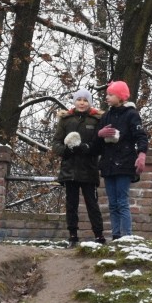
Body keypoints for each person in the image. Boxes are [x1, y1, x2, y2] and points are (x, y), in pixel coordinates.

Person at [92, 81, 148, 240]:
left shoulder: (131, 114)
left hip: (124, 163)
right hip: (108, 165)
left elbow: (141, 136)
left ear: (120, 96)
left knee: (122, 201)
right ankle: (116, 235)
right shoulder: (106, 116)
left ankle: (128, 236)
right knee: (112, 203)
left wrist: (142, 154)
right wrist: (99, 134)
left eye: (110, 95)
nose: (107, 98)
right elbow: (96, 146)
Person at [51, 89, 106, 248]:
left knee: (92, 203)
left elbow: (100, 144)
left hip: (89, 167)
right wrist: (66, 151)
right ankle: (73, 236)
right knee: (71, 203)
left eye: (85, 100)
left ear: (90, 103)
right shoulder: (66, 119)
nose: (82, 103)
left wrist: (88, 148)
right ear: (74, 101)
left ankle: (99, 235)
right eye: (79, 100)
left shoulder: (96, 119)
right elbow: (56, 143)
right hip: (70, 168)